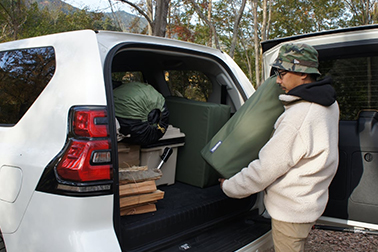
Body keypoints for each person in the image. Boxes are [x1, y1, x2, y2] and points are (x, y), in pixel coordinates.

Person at [219, 43, 339, 252]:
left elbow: (266, 168)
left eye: (282, 74)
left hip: (290, 212)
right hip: (308, 202)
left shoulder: (298, 116)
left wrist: (229, 187)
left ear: (303, 74)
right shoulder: (328, 103)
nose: (278, 80)